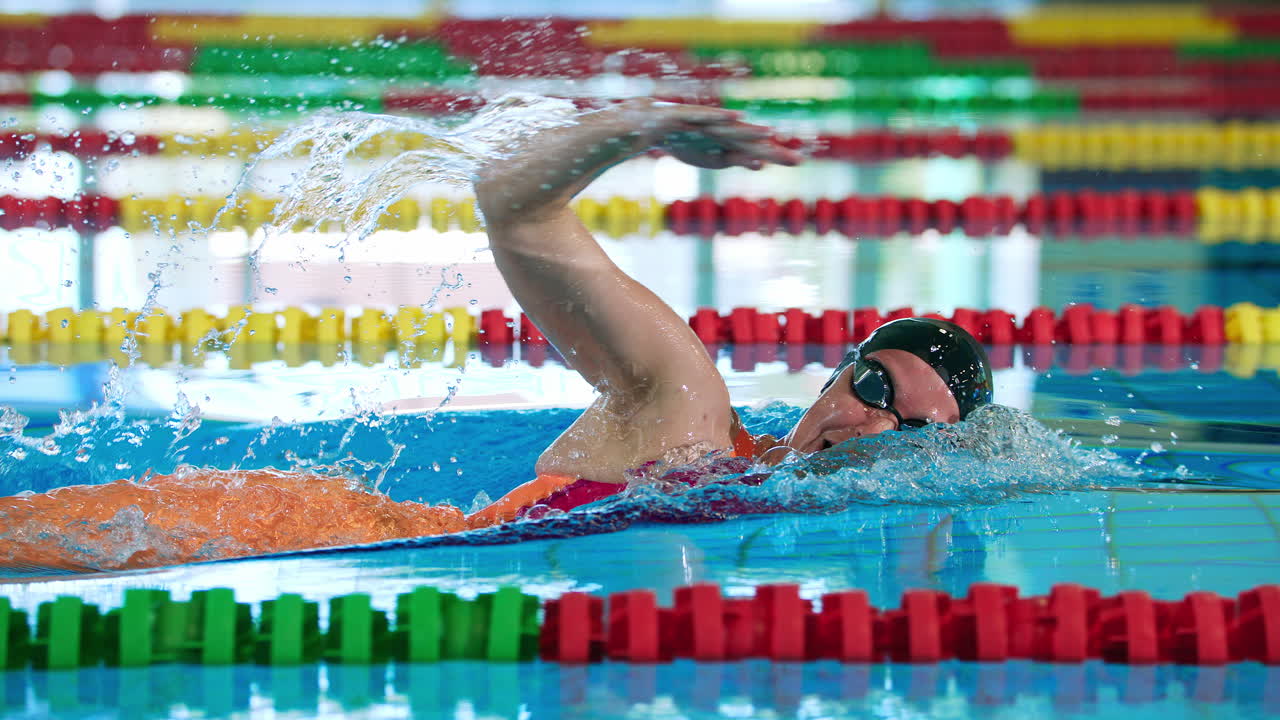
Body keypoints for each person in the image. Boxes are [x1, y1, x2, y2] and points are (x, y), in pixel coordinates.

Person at [465, 99, 993, 527]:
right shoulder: (686, 418)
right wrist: (641, 127)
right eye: (876, 388)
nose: (875, 428)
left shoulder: (759, 507)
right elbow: (513, 206)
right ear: (837, 375)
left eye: (914, 431)